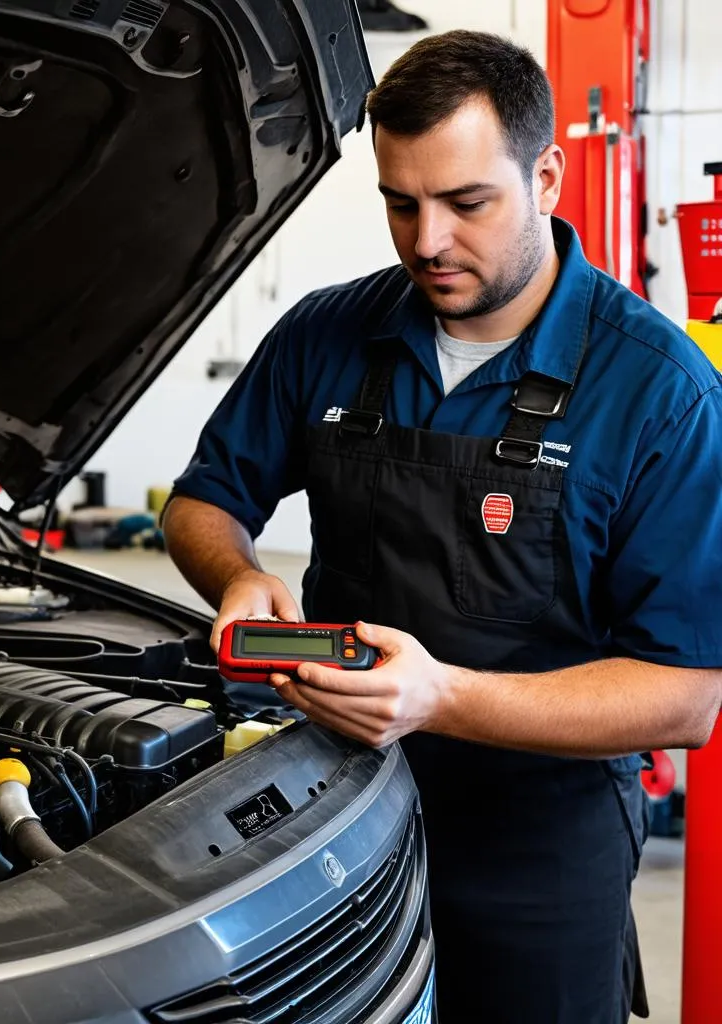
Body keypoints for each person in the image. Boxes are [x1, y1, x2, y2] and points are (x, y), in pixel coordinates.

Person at [161, 29, 722, 1024]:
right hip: (332, 805)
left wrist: (439, 696)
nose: (426, 240)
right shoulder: (326, 335)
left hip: (538, 848)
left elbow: (681, 696)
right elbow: (205, 500)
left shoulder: (659, 392)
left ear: (545, 175)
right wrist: (236, 577)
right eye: (399, 201)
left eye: (466, 204)